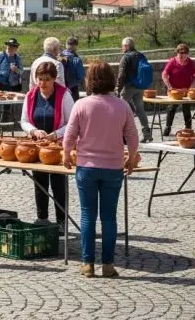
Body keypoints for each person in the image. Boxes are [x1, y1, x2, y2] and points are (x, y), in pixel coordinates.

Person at [63, 60, 139, 279]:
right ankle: (108, 264)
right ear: (112, 80)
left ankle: (88, 264)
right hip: (113, 167)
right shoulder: (122, 105)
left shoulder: (81, 104)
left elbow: (69, 135)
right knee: (109, 217)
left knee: (87, 216)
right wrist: (132, 158)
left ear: (89, 80)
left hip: (86, 167)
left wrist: (67, 154)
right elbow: (133, 137)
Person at [20, 61, 75, 231]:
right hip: (37, 147)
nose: (42, 83)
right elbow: (24, 121)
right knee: (40, 182)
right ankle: (42, 218)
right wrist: (34, 131)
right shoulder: (31, 96)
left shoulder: (64, 95)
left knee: (58, 184)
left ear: (54, 79)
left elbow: (72, 122)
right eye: (40, 79)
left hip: (58, 147)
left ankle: (61, 220)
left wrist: (56, 134)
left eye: (46, 80)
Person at [116, 37, 153, 143]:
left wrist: (117, 89)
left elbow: (121, 75)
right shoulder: (140, 55)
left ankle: (124, 136)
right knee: (140, 109)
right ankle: (147, 134)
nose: (122, 48)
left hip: (128, 87)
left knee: (122, 111)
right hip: (139, 87)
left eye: (122, 46)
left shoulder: (126, 57)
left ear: (127, 46)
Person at [161, 43, 195, 138]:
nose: (182, 55)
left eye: (184, 53)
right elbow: (164, 75)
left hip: (186, 91)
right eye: (180, 53)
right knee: (171, 109)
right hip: (174, 91)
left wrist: (191, 87)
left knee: (186, 109)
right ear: (177, 53)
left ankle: (188, 128)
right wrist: (169, 87)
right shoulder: (172, 62)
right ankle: (168, 127)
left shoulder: (191, 63)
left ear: (188, 53)